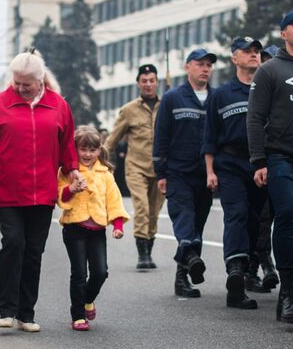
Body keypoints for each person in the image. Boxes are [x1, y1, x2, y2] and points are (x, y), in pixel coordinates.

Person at [0, 50, 80, 332]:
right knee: (14, 242)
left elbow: (68, 145)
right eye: (16, 82)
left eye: (26, 84)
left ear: (40, 80)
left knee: (33, 251)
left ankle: (26, 314)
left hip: (42, 193)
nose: (20, 88)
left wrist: (73, 170)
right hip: (8, 191)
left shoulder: (58, 106)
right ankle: (7, 310)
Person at [248, 8, 293, 323]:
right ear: (283, 33)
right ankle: (288, 293)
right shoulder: (269, 70)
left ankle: (292, 285)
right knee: (286, 215)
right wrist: (258, 159)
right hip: (279, 154)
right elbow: (255, 117)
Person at [201, 37, 267, 309]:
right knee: (236, 214)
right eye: (247, 52)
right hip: (230, 164)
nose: (253, 55)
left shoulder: (268, 89)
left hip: (261, 164)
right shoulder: (221, 94)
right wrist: (210, 171)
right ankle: (236, 274)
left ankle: (248, 264)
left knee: (255, 221)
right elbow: (209, 136)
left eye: (256, 52)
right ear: (234, 59)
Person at [153, 48, 215, 298]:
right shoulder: (172, 98)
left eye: (209, 65)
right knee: (185, 220)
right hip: (178, 172)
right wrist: (161, 173)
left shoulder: (216, 98)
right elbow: (161, 136)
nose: (205, 69)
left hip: (205, 174)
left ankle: (184, 275)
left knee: (197, 225)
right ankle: (190, 258)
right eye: (200, 64)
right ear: (188, 67)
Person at [57, 126, 129, 331]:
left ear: (99, 150)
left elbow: (114, 199)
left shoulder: (105, 173)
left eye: (92, 149)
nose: (87, 154)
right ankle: (78, 315)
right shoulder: (68, 171)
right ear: (75, 149)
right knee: (79, 273)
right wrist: (71, 189)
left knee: (100, 272)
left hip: (97, 230)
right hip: (74, 228)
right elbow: (60, 196)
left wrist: (117, 225)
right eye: (83, 149)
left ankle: (88, 300)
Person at [104, 64, 165, 270]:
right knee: (142, 208)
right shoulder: (129, 110)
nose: (148, 84)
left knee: (154, 212)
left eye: (152, 80)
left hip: (161, 169)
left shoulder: (166, 105)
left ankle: (149, 246)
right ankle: (143, 254)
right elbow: (112, 139)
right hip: (136, 167)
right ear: (138, 83)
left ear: (157, 82)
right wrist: (100, 162)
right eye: (144, 81)